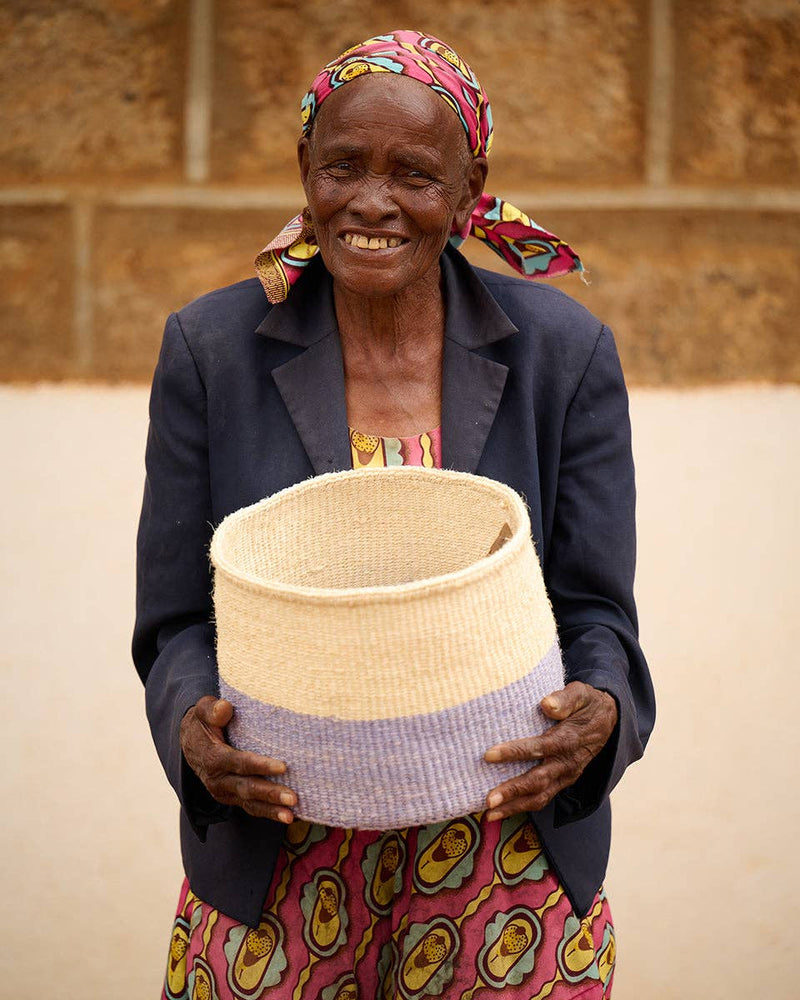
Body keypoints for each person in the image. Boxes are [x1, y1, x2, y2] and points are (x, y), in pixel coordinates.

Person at [134, 29, 654, 1000]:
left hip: (501, 863)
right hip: (280, 858)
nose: (370, 202)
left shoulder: (561, 353)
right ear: (303, 170)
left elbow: (596, 613)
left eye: (414, 175)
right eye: (341, 166)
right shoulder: (212, 350)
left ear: (468, 190)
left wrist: (600, 711)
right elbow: (173, 622)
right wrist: (192, 734)